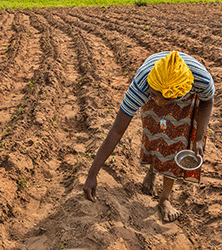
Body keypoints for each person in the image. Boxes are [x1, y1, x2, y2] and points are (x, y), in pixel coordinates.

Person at [83, 51, 214, 222]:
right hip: (159, 87)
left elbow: (208, 100)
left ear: (177, 96)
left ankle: (165, 199)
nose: (158, 104)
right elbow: (116, 130)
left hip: (183, 95)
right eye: (153, 96)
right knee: (153, 134)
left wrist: (199, 138)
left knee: (175, 142)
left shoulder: (201, 80)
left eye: (163, 100)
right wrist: (92, 174)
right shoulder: (143, 83)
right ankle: (152, 170)